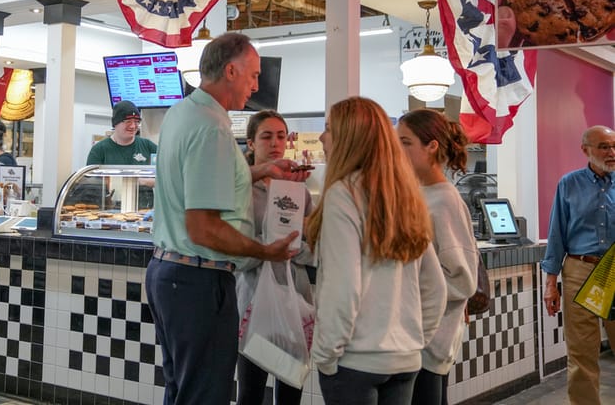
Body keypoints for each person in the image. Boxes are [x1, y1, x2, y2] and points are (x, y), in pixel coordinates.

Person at [146, 32, 308, 405]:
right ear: (231, 71)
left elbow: (202, 182)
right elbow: (204, 228)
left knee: (184, 390)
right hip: (198, 279)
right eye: (252, 75)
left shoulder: (184, 112)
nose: (255, 85)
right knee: (205, 395)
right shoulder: (211, 128)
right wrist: (265, 251)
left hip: (170, 274)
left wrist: (262, 171)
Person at [304, 97, 446, 405]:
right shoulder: (405, 196)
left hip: (356, 363)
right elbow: (436, 287)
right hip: (404, 362)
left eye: (328, 128)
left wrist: (327, 355)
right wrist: (414, 339)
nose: (321, 137)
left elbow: (344, 288)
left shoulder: (344, 194)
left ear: (348, 138)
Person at [397, 109, 479, 405]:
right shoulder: (417, 194)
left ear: (431, 146)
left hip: (430, 342)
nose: (398, 151)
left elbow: (463, 279)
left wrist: (411, 291)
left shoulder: (444, 200)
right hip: (414, 337)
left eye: (405, 142)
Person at [236, 110, 316, 405]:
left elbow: (313, 246)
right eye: (266, 136)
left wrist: (295, 251)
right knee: (250, 392)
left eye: (281, 136)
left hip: (295, 299)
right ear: (251, 143)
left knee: (291, 390)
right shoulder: (241, 189)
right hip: (253, 299)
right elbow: (238, 255)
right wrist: (268, 247)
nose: (275, 143)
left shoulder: (298, 190)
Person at [541, 125, 615, 405]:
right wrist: (551, 284)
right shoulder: (569, 184)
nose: (612, 153)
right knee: (582, 352)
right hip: (579, 270)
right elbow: (556, 234)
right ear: (586, 150)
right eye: (604, 147)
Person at [86, 100, 157, 165]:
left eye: (136, 122)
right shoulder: (99, 150)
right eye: (128, 121)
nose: (133, 126)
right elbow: (91, 178)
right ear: (115, 123)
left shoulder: (148, 147)